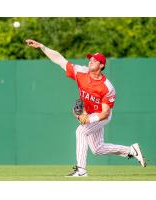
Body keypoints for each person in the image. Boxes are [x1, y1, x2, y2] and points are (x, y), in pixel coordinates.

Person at [25, 39, 146, 177]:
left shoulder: (107, 87)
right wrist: (42, 46)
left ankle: (81, 170)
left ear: (101, 65)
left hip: (101, 115)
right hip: (88, 113)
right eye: (90, 59)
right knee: (97, 149)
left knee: (80, 132)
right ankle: (131, 150)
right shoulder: (80, 72)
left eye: (94, 61)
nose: (90, 62)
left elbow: (105, 113)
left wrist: (88, 119)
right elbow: (60, 59)